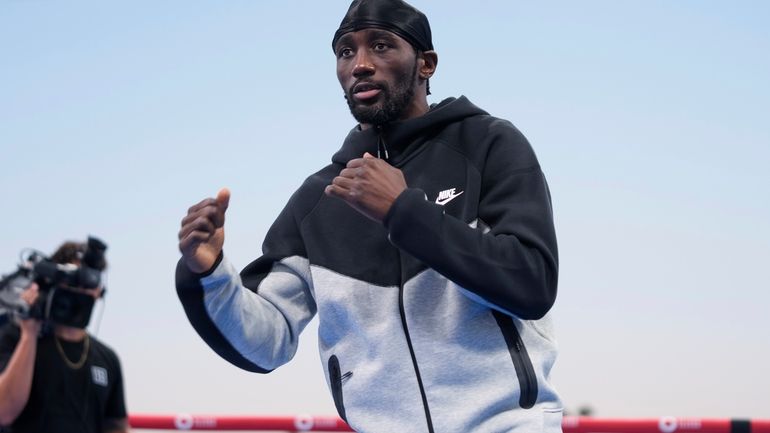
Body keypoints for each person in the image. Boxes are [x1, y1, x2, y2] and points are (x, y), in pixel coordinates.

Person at [176, 0, 562, 431]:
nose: (360, 64)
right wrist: (207, 273)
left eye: (381, 46)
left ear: (426, 64)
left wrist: (403, 212)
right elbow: (267, 343)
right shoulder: (317, 199)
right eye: (345, 52)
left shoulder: (488, 143)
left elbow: (531, 282)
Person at [0, 240, 130, 433]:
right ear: (55, 280)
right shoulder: (16, 336)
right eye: (75, 280)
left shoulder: (107, 358)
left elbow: (115, 425)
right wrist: (29, 333)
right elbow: (4, 412)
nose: (82, 290)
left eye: (90, 282)